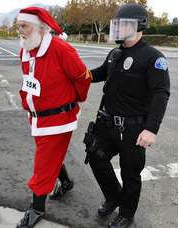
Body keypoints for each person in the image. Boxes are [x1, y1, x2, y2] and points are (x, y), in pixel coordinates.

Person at [87, 4, 170, 228]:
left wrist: (151, 129)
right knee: (96, 157)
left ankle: (126, 213)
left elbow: (161, 94)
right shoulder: (115, 53)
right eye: (118, 24)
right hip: (108, 124)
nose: (119, 28)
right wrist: (78, 74)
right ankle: (114, 197)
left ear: (139, 26)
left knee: (130, 174)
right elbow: (99, 74)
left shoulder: (152, 57)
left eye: (124, 24)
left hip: (134, 129)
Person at [16, 7, 91, 228]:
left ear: (40, 28)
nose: (20, 30)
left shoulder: (60, 49)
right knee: (49, 156)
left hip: (59, 119)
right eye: (18, 25)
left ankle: (37, 208)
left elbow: (82, 77)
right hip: (38, 118)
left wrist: (73, 102)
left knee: (42, 163)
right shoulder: (26, 49)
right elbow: (29, 80)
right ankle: (66, 182)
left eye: (24, 26)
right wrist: (26, 101)